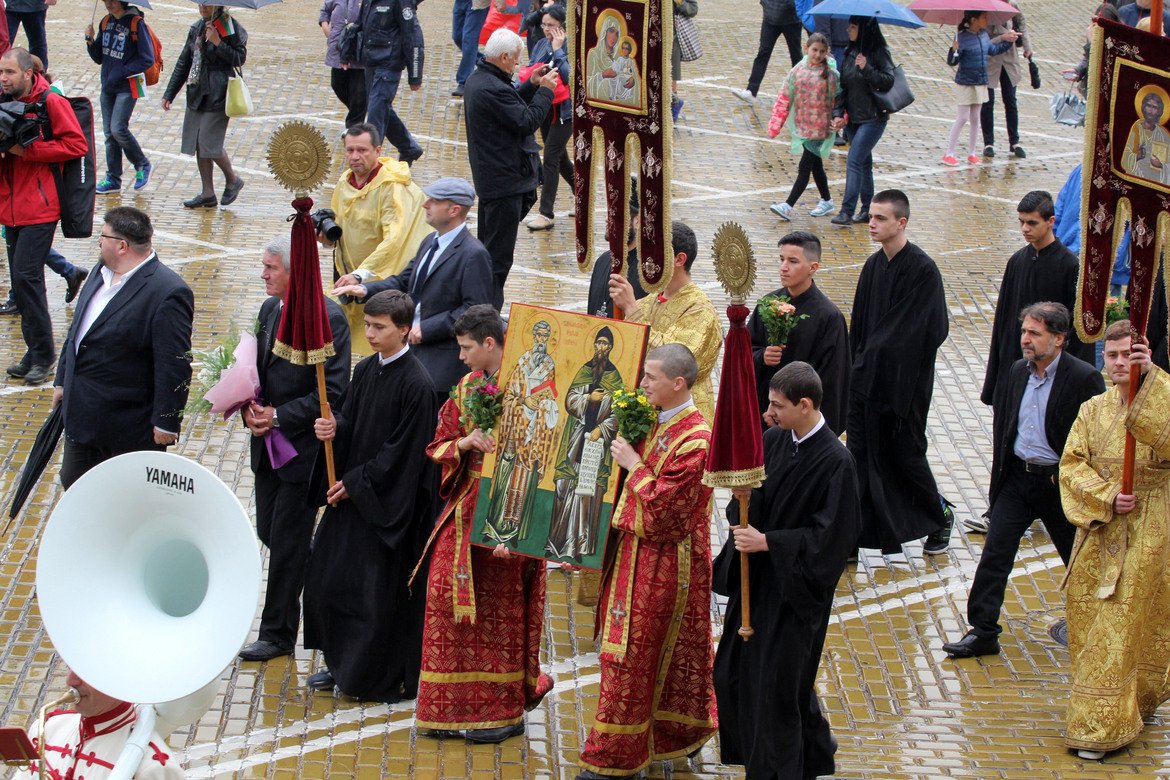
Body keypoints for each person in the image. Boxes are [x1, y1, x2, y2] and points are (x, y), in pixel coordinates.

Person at [413, 304, 555, 743]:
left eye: (466, 348)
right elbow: (438, 444)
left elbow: (549, 458)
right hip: (467, 506)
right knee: (443, 597)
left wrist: (525, 532)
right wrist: (464, 442)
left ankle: (502, 712)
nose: (460, 356)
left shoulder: (533, 387)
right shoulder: (468, 386)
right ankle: (447, 705)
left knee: (500, 612)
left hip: (514, 510)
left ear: (490, 344)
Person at [713, 361, 860, 780]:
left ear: (806, 404)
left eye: (777, 405)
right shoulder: (775, 440)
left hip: (795, 595)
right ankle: (814, 752)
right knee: (736, 675)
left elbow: (830, 540)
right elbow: (753, 500)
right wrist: (741, 500)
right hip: (758, 584)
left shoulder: (837, 462)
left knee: (775, 690)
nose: (768, 412)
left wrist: (769, 542)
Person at [577, 343, 716, 779]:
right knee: (622, 652)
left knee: (633, 655)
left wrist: (634, 466)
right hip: (632, 557)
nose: (641, 384)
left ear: (677, 384)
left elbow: (667, 516)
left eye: (650, 378)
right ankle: (637, 745)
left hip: (665, 566)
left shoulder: (698, 439)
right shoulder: (653, 418)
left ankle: (615, 758)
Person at [942, 302, 1104, 659]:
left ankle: (1098, 627)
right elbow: (1005, 426)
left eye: (1035, 333)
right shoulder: (1017, 371)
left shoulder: (1083, 378)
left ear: (1059, 339)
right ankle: (983, 631)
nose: (1025, 340)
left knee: (1078, 560)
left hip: (1057, 485)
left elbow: (1097, 438)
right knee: (995, 554)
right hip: (1017, 479)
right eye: (1024, 332)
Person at [302, 289, 437, 703]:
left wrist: (356, 482)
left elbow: (401, 456)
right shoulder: (365, 370)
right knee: (328, 579)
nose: (371, 334)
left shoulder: (417, 385)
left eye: (379, 327)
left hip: (384, 509)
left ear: (403, 329)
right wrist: (334, 428)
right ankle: (339, 660)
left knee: (372, 595)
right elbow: (353, 419)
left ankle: (369, 674)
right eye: (369, 325)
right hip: (354, 496)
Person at [236, 236, 352, 663]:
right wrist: (248, 404)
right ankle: (313, 569)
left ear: (294, 271)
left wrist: (280, 416)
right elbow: (259, 369)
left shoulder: (328, 318)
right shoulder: (270, 309)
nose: (263, 274)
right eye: (263, 266)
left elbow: (334, 391)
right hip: (266, 446)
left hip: (301, 450)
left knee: (285, 541)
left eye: (271, 268)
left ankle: (278, 632)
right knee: (271, 531)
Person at [1059, 322, 1170, 761]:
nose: (1120, 364)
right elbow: (1070, 465)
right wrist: (1106, 495)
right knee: (1089, 625)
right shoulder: (1092, 409)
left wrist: (1151, 387)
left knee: (1123, 625)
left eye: (1129, 355)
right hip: (1101, 530)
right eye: (1112, 356)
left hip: (1150, 532)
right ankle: (1117, 706)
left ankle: (1101, 725)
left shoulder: (1163, 395)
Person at [974, 190, 1096, 532]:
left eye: (1032, 223)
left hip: (1052, 374)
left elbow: (1077, 329)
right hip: (1015, 373)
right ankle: (1001, 505)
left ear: (1051, 222)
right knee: (1006, 440)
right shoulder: (1017, 261)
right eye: (1021, 222)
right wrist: (996, 380)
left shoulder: (1069, 265)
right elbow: (1002, 324)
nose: (1025, 229)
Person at [53, 207, 194, 488]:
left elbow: (174, 363)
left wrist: (167, 421)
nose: (98, 242)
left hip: (127, 428)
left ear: (122, 246)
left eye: (102, 236)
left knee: (123, 504)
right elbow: (78, 331)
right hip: (82, 417)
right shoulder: (100, 271)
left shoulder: (168, 292)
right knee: (74, 485)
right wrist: (62, 379)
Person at [847, 190, 952, 556]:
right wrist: (855, 367)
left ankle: (939, 514)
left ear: (901, 222)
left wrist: (874, 355)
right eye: (871, 217)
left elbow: (927, 329)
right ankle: (853, 535)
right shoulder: (874, 266)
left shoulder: (923, 270)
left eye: (880, 218)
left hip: (902, 389)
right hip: (864, 385)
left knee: (905, 457)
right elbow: (859, 325)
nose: (871, 224)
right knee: (858, 458)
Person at [331, 176, 493, 404]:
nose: (425, 205)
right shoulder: (430, 241)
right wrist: (364, 289)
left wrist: (426, 328)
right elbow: (404, 281)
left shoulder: (473, 254)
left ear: (454, 210)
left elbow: (475, 311)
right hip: (410, 352)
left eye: (434, 201)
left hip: (439, 365)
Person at [0, 47, 87, 385]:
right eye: (1, 73)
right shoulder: (2, 98)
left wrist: (28, 150)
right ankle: (34, 350)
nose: (4, 78)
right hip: (10, 207)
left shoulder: (51, 102)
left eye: (9, 72)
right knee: (22, 284)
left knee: (26, 278)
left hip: (40, 206)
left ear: (27, 73)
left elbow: (76, 145)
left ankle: (46, 354)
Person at [463, 27, 557, 309]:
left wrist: (530, 85)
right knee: (497, 260)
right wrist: (546, 92)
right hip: (503, 184)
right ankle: (486, 316)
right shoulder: (491, 87)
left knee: (490, 254)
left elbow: (510, 106)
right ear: (504, 58)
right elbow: (527, 120)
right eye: (516, 61)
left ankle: (483, 313)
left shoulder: (482, 78)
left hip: (496, 181)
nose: (517, 66)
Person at [323, 122, 430, 353]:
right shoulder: (344, 181)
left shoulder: (390, 187)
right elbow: (339, 230)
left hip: (381, 278)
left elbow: (395, 239)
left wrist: (361, 274)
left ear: (378, 151)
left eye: (362, 150)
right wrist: (326, 238)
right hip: (348, 278)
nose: (355, 157)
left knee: (380, 344)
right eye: (350, 150)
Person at [608, 221, 722, 421]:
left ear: (679, 259)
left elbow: (674, 363)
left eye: (654, 252)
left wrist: (632, 311)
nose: (645, 260)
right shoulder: (648, 301)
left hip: (683, 418)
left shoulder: (700, 310)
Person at [748, 230, 849, 434]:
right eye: (782, 259)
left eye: (793, 261)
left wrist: (786, 415)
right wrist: (761, 356)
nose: (784, 268)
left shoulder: (829, 317)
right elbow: (745, 351)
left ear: (813, 267)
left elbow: (831, 380)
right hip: (761, 415)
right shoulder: (768, 304)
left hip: (801, 423)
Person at [14, 668, 186, 779]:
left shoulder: (153, 766)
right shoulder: (47, 728)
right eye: (70, 667)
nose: (71, 681)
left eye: (84, 672)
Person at [545, 325, 623, 561]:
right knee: (564, 486)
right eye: (598, 342)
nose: (601, 347)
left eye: (605, 344)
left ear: (610, 348)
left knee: (587, 491)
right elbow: (570, 399)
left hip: (596, 443)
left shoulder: (614, 375)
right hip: (576, 438)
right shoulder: (585, 369)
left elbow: (621, 410)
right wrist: (589, 397)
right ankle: (556, 542)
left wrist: (602, 428)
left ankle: (578, 546)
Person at [161, 4, 247, 209]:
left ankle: (233, 179)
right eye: (200, 3)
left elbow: (239, 58)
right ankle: (207, 192)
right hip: (197, 91)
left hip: (218, 92)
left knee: (209, 143)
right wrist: (169, 93)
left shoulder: (230, 27)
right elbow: (184, 61)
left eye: (206, 4)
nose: (202, 7)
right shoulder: (197, 28)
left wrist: (218, 42)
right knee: (198, 143)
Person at [482, 319, 559, 543]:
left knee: (523, 479)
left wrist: (542, 404)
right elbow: (509, 395)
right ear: (534, 336)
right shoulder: (522, 361)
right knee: (506, 475)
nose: (541, 340)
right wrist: (524, 400)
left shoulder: (550, 365)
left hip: (535, 432)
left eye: (546, 336)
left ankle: (513, 530)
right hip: (514, 427)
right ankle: (494, 523)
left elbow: (550, 395)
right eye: (539, 335)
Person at [766, 32, 840, 221]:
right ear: (806, 49)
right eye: (814, 50)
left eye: (822, 51)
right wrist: (775, 124)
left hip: (821, 128)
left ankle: (788, 205)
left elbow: (840, 98)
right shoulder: (797, 70)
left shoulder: (831, 75)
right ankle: (827, 199)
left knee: (804, 166)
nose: (817, 54)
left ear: (827, 52)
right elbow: (785, 97)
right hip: (804, 127)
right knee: (816, 166)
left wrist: (841, 118)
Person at [829, 17, 894, 227]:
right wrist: (838, 113)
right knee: (864, 164)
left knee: (854, 161)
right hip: (854, 119)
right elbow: (842, 86)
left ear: (864, 29)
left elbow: (888, 80)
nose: (848, 29)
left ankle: (847, 211)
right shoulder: (849, 52)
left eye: (853, 26)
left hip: (873, 117)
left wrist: (867, 68)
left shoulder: (878, 53)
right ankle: (867, 209)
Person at [85, 0, 155, 194]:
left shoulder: (136, 24)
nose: (108, 3)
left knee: (118, 129)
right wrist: (90, 41)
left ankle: (142, 164)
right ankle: (113, 179)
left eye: (113, 0)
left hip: (126, 86)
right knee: (109, 134)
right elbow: (99, 57)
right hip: (107, 86)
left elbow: (147, 58)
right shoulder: (105, 22)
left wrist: (123, 71)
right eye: (106, 0)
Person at [942, 11, 1017, 166]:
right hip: (966, 82)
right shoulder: (961, 37)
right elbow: (952, 62)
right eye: (983, 17)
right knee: (962, 117)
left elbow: (993, 50)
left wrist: (1009, 41)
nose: (986, 20)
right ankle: (949, 153)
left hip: (981, 81)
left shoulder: (983, 34)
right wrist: (954, 50)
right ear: (974, 19)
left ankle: (972, 153)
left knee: (976, 118)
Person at [522, 4, 571, 232]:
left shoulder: (570, 45)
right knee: (560, 159)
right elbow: (534, 65)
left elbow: (568, 76)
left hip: (565, 110)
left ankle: (546, 213)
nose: (546, 29)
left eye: (551, 25)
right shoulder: (541, 42)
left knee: (550, 157)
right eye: (544, 25)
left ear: (562, 26)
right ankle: (582, 195)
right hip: (545, 106)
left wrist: (558, 50)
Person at [357, 0, 424, 163]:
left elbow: (413, 37)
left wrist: (414, 74)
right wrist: (345, 54)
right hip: (371, 64)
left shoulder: (401, 2)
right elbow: (359, 27)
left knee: (375, 114)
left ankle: (369, 165)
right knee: (379, 108)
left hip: (388, 66)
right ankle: (409, 148)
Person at [587, 183, 646, 319]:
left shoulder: (648, 275)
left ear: (637, 221)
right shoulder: (602, 261)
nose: (608, 218)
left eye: (617, 213)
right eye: (609, 211)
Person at [981, 4, 1031, 159]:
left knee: (1010, 100)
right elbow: (983, 40)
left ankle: (1014, 142)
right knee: (988, 102)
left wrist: (1027, 47)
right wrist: (1002, 37)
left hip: (1009, 61)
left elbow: (1022, 24)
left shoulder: (1013, 7)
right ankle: (988, 143)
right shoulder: (986, 9)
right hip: (991, 62)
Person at [731, 0, 802, 105]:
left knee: (795, 55)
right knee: (763, 53)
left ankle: (801, 91)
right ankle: (751, 90)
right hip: (770, 19)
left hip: (791, 20)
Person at [319, 0, 366, 129]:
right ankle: (359, 110)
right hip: (338, 50)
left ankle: (354, 128)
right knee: (337, 84)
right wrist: (326, 27)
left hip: (359, 51)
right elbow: (325, 11)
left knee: (359, 92)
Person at [1121, 90, 1170, 185]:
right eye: (1148, 106)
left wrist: (1161, 165)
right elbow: (1124, 157)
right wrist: (1137, 156)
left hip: (1157, 181)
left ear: (1159, 111)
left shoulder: (1164, 135)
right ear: (1143, 107)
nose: (1151, 110)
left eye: (1155, 107)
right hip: (1136, 177)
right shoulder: (1136, 128)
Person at [451, 0, 490, 97]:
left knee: (469, 40)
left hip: (478, 4)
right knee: (457, 37)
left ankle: (464, 81)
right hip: (460, 2)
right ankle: (490, 64)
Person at [5, 0, 46, 67]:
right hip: (9, 6)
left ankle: (39, 74)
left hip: (35, 6)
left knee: (38, 43)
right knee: (4, 42)